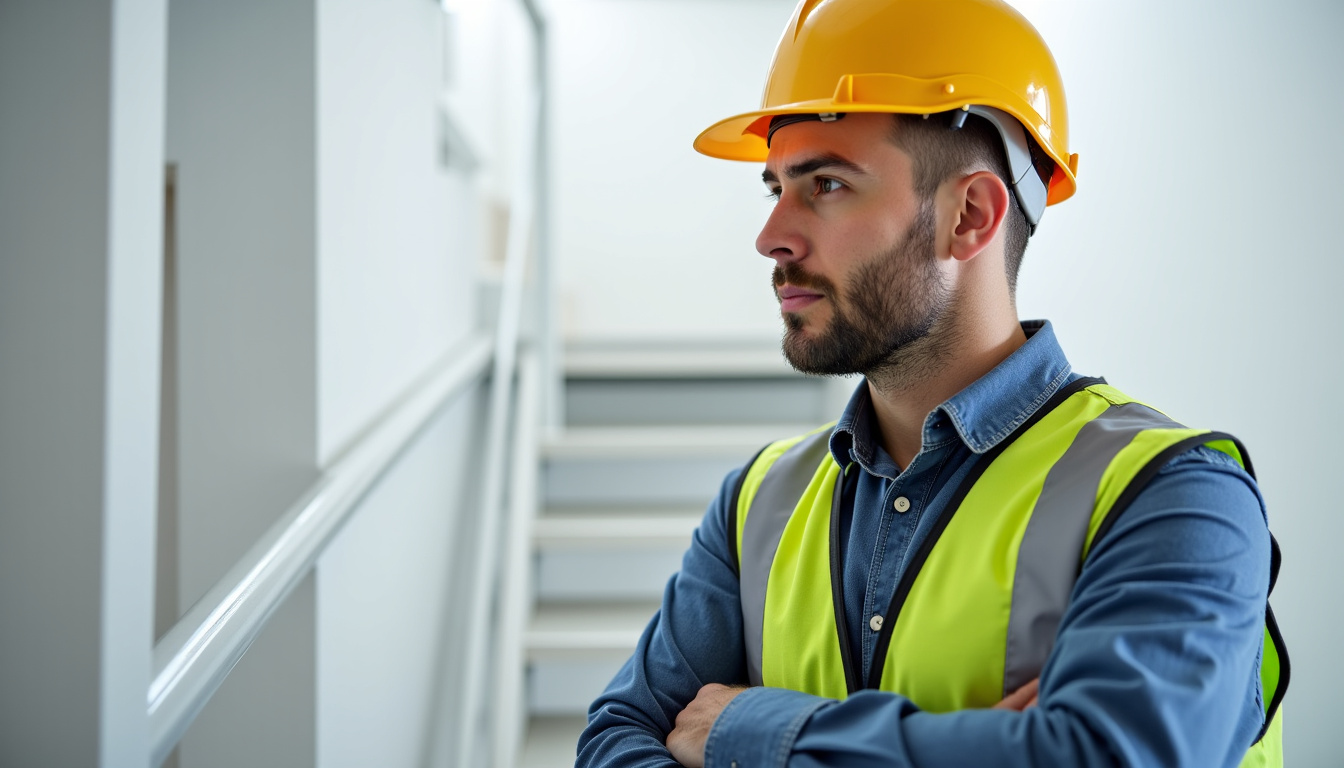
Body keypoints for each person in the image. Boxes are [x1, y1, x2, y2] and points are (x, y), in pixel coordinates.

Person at [575, 0, 1288, 765]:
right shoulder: (758, 501)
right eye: (775, 188)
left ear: (970, 215)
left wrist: (751, 730)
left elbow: (1099, 756)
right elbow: (615, 738)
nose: (771, 236)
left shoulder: (1173, 493)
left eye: (826, 184)